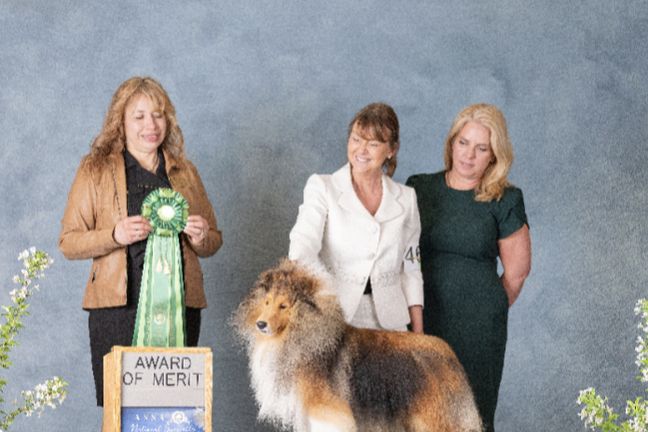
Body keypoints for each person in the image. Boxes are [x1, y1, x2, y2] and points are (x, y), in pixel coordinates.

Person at [58, 76, 223, 406]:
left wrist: (201, 236)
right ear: (120, 121)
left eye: (158, 115)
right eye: (139, 116)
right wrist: (113, 235)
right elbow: (69, 242)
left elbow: (214, 241)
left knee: (174, 411)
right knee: (121, 412)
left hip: (180, 309)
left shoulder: (186, 172)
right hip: (116, 311)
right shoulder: (95, 170)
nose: (151, 125)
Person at [406, 103, 531, 431]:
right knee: (418, 415)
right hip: (422, 321)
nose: (469, 155)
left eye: (481, 148)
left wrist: (484, 308)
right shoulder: (419, 188)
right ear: (451, 143)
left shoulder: (506, 199)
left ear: (494, 155)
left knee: (470, 418)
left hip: (479, 330)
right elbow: (400, 254)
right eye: (463, 142)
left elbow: (517, 273)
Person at [289, 102, 423, 332]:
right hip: (332, 317)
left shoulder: (407, 198)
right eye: (356, 139)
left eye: (373, 144)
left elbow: (411, 269)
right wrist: (328, 295)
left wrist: (419, 334)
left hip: (392, 325)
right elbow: (301, 252)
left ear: (391, 150)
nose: (361, 150)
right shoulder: (322, 187)